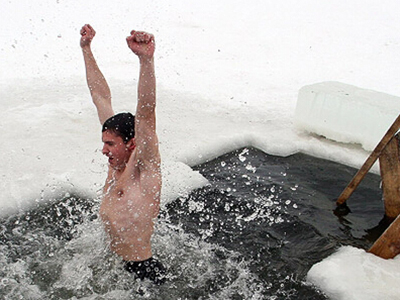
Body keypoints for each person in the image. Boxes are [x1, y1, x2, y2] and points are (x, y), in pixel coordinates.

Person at [80, 24, 166, 284]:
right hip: (114, 264)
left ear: (131, 144)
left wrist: (145, 60)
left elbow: (147, 113)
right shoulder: (115, 162)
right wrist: (86, 49)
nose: (104, 150)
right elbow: (100, 96)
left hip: (142, 274)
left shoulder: (145, 170)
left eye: (110, 144)